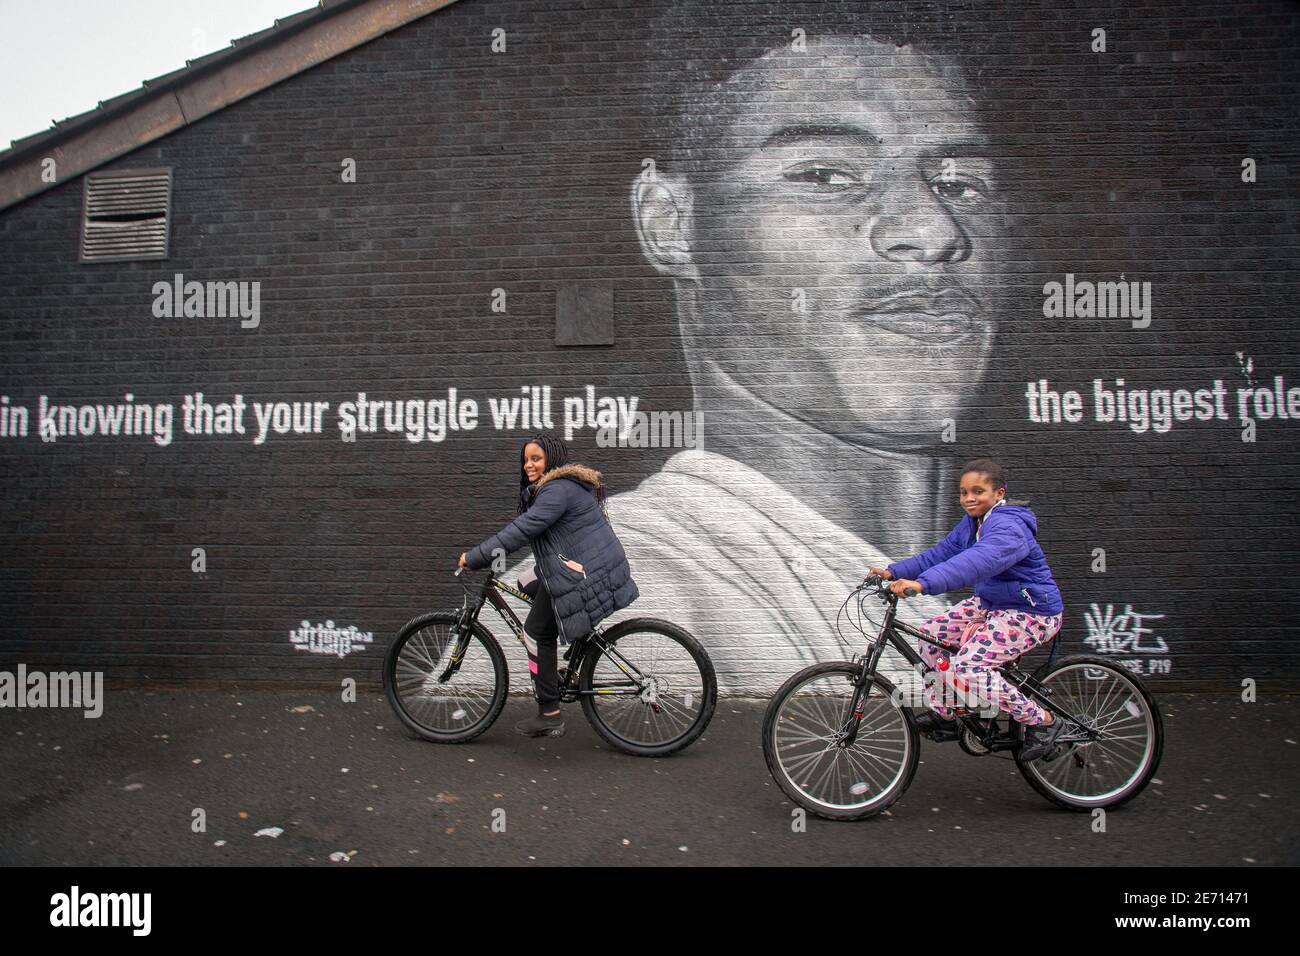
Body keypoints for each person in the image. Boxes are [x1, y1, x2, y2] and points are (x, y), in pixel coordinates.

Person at [511, 30, 1009, 696]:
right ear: (672, 225)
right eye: (825, 176)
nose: (934, 231)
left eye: (961, 183)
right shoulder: (634, 592)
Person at [868, 458, 1067, 762]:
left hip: (1030, 611)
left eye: (978, 491)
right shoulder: (974, 522)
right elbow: (941, 554)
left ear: (999, 493)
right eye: (963, 493)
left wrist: (923, 585)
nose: (969, 499)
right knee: (929, 636)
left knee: (968, 667)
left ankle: (1043, 721)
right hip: (991, 604)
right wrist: (893, 572)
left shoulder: (1009, 526)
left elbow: (976, 563)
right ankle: (948, 713)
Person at [459, 433, 638, 737]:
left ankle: (549, 712)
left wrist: (475, 556)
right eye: (526, 460)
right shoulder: (560, 487)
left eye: (536, 459)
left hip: (587, 573)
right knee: (523, 581)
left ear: (551, 460)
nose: (528, 465)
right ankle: (560, 634)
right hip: (589, 567)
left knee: (534, 631)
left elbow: (521, 530)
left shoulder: (556, 491)